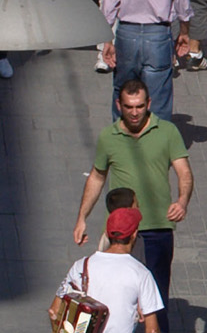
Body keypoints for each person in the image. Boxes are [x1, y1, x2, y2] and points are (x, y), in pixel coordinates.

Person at [77, 83, 195, 302]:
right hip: (118, 231)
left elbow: (184, 171)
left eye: (139, 106)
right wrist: (82, 218)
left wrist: (182, 202)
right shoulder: (108, 136)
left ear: (148, 104)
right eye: (128, 107)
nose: (134, 112)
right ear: (118, 105)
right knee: (111, 295)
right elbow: (97, 177)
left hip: (157, 227)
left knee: (155, 296)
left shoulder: (167, 132)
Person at [99, 0, 197, 127]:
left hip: (126, 33)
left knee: (123, 90)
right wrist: (185, 33)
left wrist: (107, 40)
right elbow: (183, 4)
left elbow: (108, 7)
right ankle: (157, 146)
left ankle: (121, 141)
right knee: (159, 94)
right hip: (158, 35)